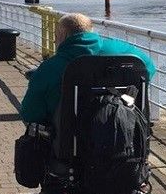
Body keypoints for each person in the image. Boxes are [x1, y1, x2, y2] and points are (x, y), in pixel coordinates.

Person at [20, 13, 156, 125]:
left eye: (55, 37)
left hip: (68, 145)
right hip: (123, 135)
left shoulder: (50, 67)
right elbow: (149, 69)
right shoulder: (122, 50)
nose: (55, 42)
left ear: (62, 36)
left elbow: (29, 113)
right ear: (90, 31)